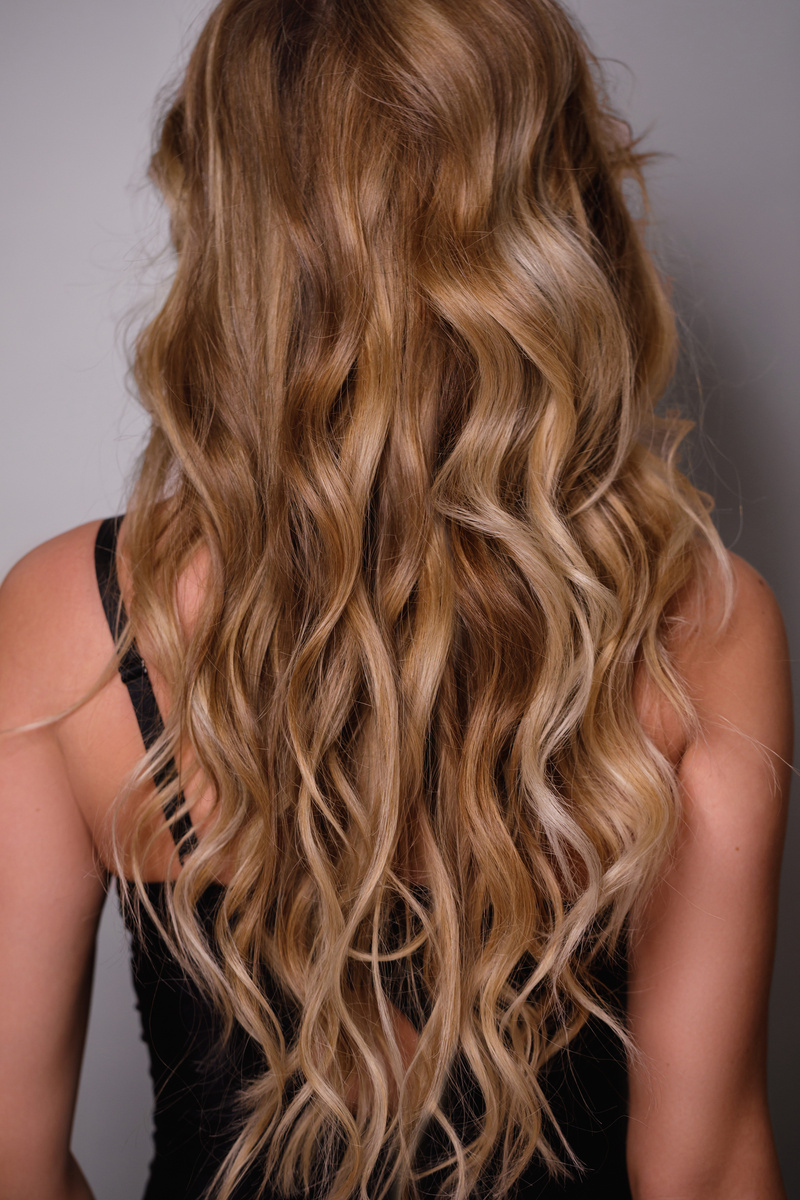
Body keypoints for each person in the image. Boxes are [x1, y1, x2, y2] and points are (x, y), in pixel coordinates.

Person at [0, 0, 791, 1197]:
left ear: (227, 215)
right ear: (551, 206)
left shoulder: (75, 619)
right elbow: (703, 1163)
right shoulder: (700, 619)